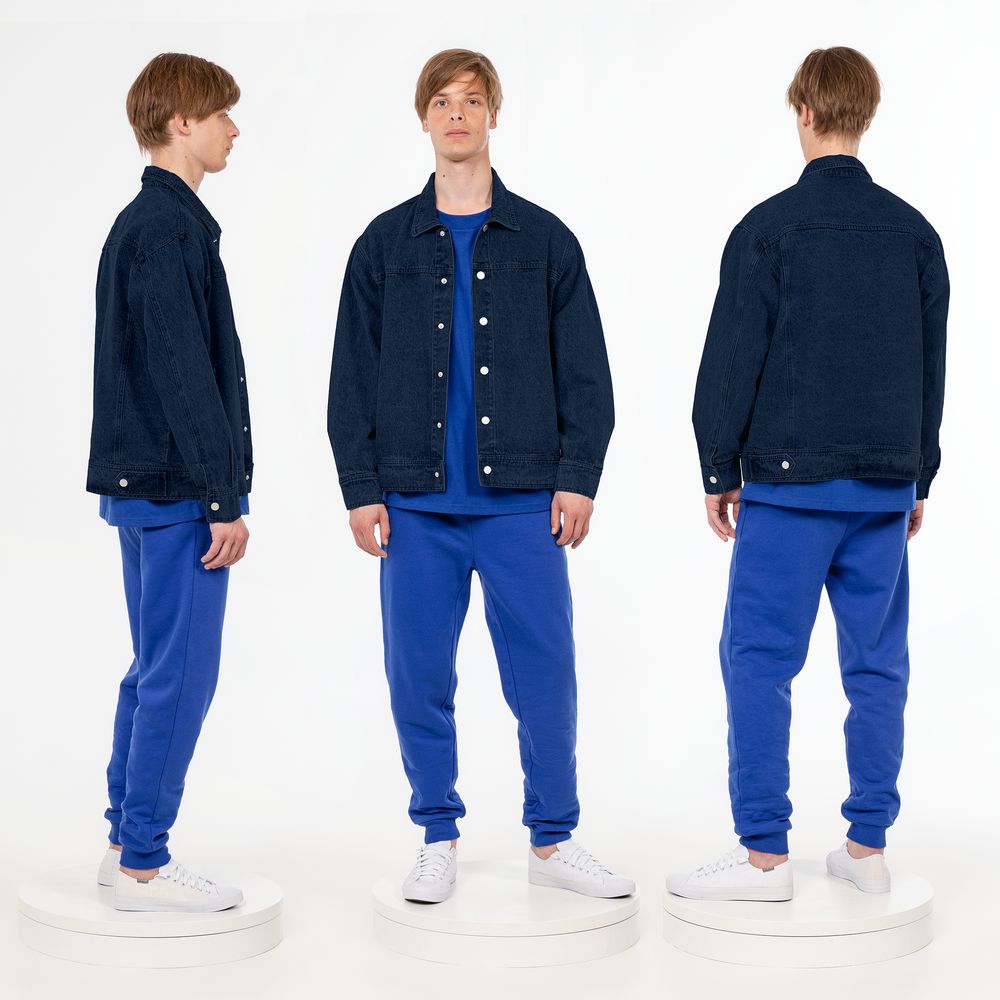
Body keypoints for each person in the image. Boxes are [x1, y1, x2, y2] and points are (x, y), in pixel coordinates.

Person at [328, 48, 634, 904]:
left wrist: (577, 476)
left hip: (521, 502)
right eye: (442, 100)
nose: (457, 114)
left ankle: (554, 837)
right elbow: (351, 375)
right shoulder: (384, 245)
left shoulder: (545, 240)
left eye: (472, 99)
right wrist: (362, 486)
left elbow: (587, 372)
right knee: (418, 677)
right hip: (416, 504)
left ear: (494, 114)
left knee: (546, 675)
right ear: (423, 117)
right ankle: (437, 834)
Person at [667, 47, 949, 901]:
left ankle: (763, 858)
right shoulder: (915, 235)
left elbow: (730, 360)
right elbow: (930, 369)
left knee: (758, 660)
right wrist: (918, 475)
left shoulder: (767, 230)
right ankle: (867, 850)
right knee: (877, 667)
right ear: (865, 114)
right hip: (883, 487)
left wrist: (718, 465)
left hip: (788, 491)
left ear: (804, 112)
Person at [86, 52, 251, 912]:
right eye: (222, 114)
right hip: (176, 492)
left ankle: (124, 840)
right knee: (180, 676)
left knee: (154, 668)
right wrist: (223, 497)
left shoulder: (148, 223)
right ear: (182, 121)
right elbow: (185, 374)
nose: (234, 129)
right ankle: (145, 863)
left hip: (143, 488)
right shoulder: (168, 229)